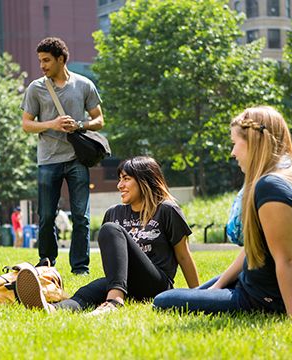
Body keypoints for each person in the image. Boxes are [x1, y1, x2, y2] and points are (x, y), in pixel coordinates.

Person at [153, 106, 292, 325]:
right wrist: (216, 288)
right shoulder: (291, 181)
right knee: (198, 292)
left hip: (262, 299)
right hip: (251, 284)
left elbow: (286, 260)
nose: (232, 153)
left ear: (253, 140)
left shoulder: (271, 187)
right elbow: (252, 251)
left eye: (234, 143)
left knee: (163, 300)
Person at [15, 156, 200, 315]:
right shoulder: (115, 212)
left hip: (156, 285)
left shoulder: (167, 210)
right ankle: (51, 309)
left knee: (110, 229)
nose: (120, 185)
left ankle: (114, 302)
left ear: (145, 181)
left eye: (126, 179)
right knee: (86, 293)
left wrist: (199, 296)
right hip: (124, 283)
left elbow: (183, 255)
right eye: (120, 179)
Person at [21, 37, 104, 275]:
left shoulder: (84, 84)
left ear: (61, 59)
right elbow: (27, 124)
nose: (42, 65)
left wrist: (79, 125)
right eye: (40, 61)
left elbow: (99, 120)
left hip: (77, 158)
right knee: (47, 216)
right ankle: (47, 262)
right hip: (48, 160)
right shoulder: (35, 88)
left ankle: (80, 267)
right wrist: (53, 124)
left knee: (81, 216)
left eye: (47, 60)